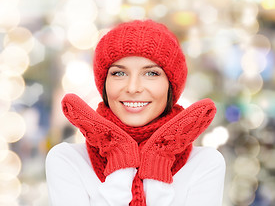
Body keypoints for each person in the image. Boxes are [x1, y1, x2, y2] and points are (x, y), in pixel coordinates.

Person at [46, 19, 226, 206]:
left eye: (151, 73)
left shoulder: (204, 164)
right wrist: (118, 155)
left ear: (171, 86)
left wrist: (159, 160)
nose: (133, 88)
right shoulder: (68, 160)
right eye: (119, 73)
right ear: (105, 84)